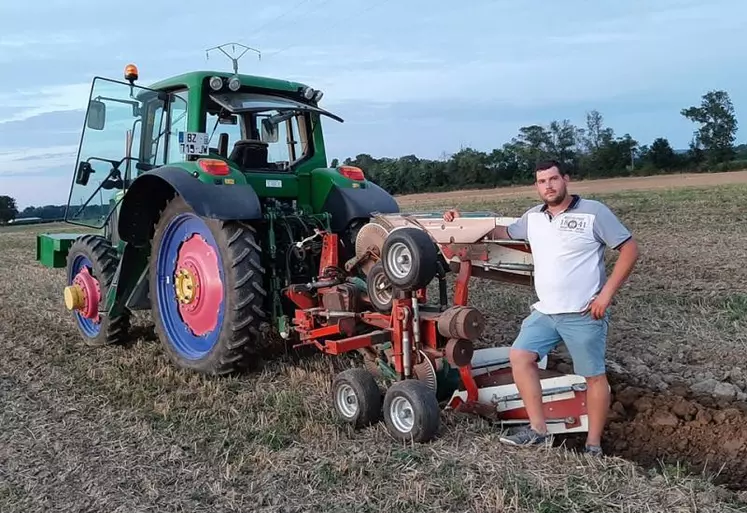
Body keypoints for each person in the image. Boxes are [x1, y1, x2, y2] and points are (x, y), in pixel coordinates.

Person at [443, 159, 639, 455]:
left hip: (583, 313)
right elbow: (497, 232)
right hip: (546, 312)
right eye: (541, 181)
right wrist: (460, 220)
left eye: (553, 179)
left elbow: (629, 249)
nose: (548, 186)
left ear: (566, 179)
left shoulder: (593, 212)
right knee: (520, 357)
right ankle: (538, 430)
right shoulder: (533, 217)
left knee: (594, 377)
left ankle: (594, 446)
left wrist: (605, 296)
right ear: (537, 186)